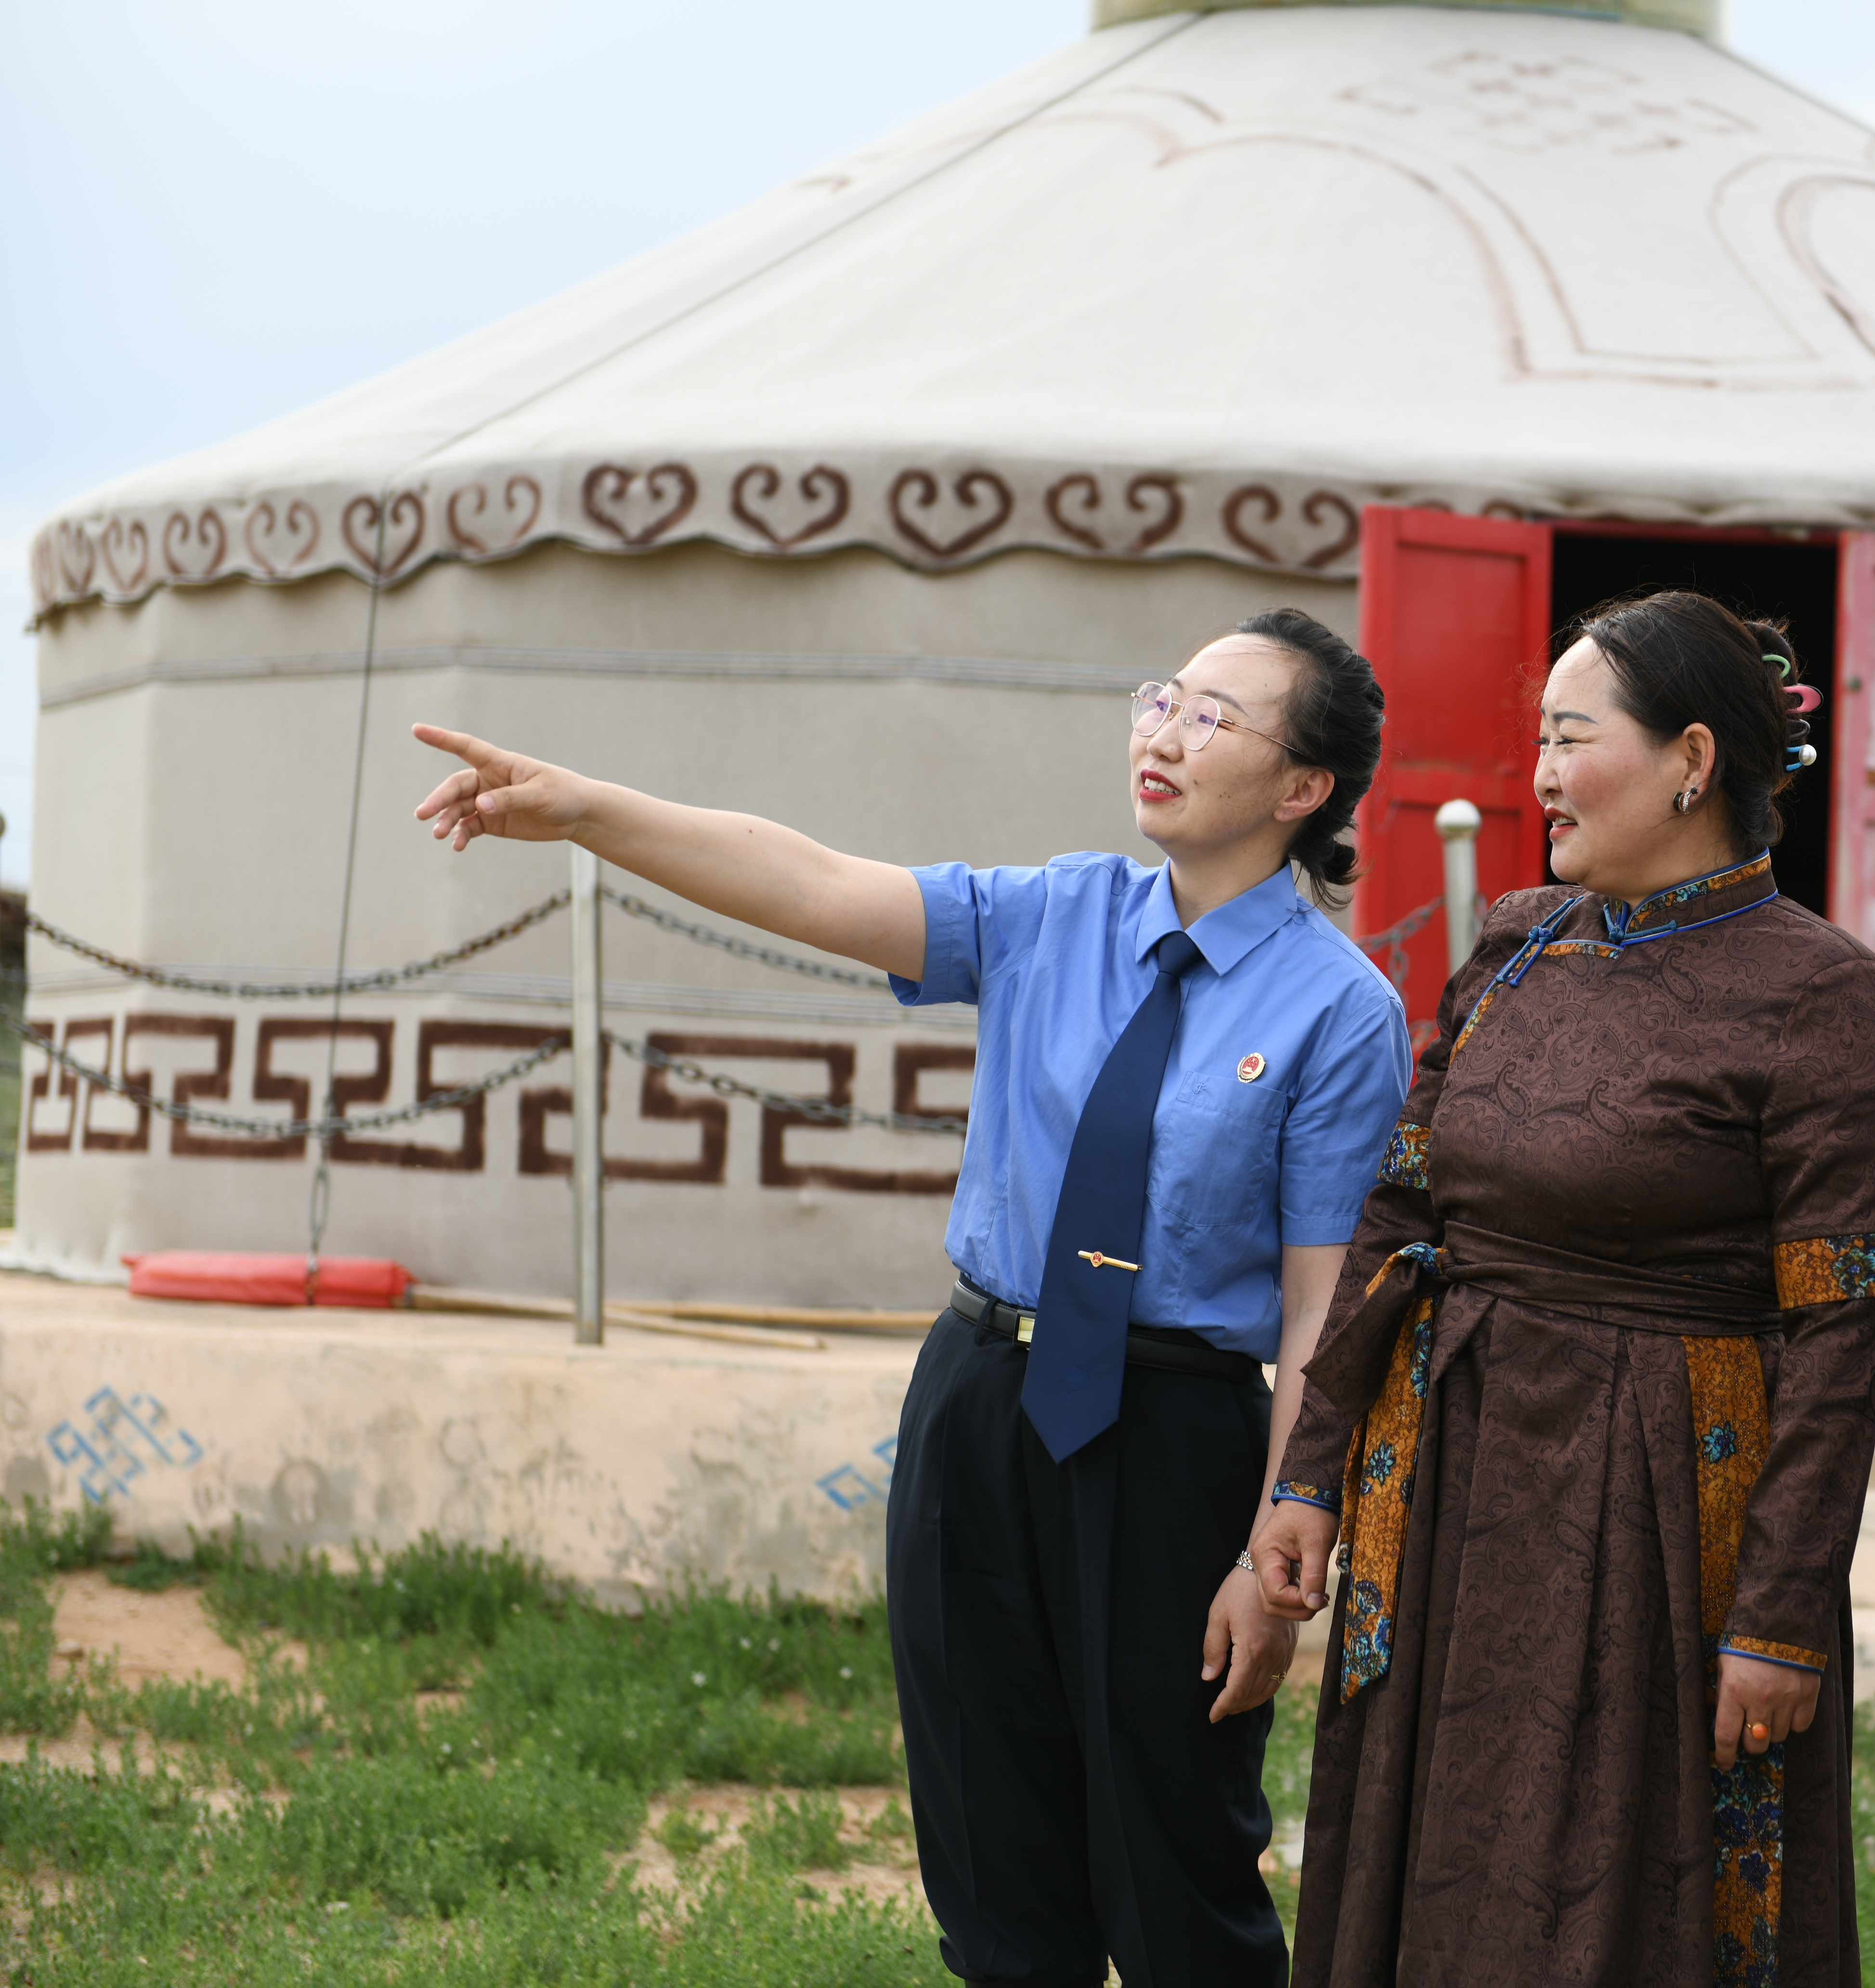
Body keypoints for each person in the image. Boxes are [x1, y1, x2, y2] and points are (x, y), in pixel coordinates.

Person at [408, 608, 1412, 1988]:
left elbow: (1321, 1309)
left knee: (1176, 1862)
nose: (1163, 733)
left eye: (1213, 717)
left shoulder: (1339, 1009)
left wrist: (1275, 1541)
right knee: (993, 1865)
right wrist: (586, 810)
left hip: (1179, 1440)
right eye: (1161, 699)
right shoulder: (1054, 914)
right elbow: (813, 880)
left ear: (1304, 790)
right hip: (984, 1405)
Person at [1248, 591, 1875, 1988]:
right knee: (1435, 1852)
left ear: (1691, 760)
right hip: (1453, 1485)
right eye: (1538, 740)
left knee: (1614, 1892)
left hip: (1660, 1517)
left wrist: (1782, 1619)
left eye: (1571, 738)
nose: (1542, 774)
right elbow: (1399, 1213)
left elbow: (1841, 1337)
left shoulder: (1824, 997)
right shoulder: (1517, 943)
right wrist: (1313, 1472)